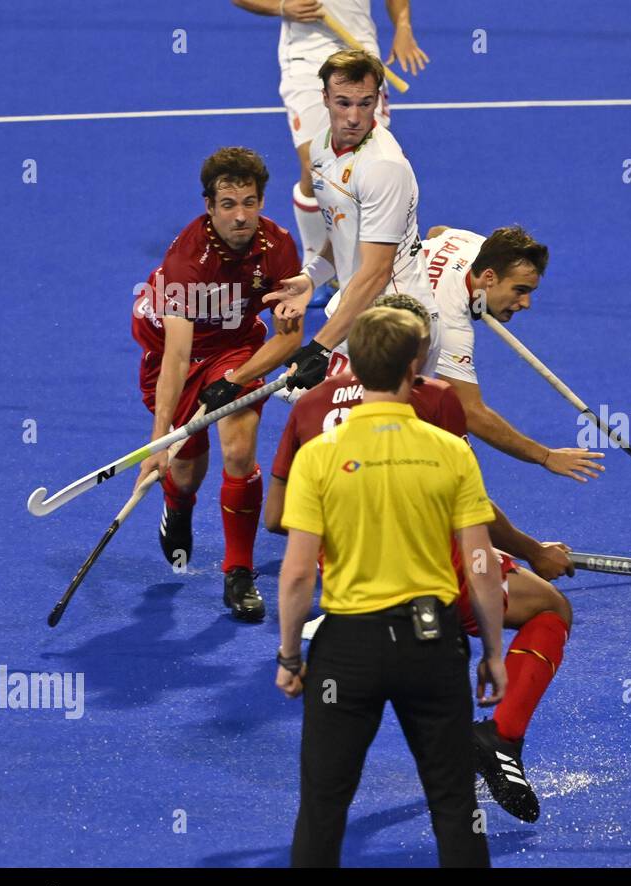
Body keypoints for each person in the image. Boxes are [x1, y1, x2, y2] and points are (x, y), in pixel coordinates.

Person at [267, 292, 577, 823]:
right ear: (412, 355)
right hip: (431, 579)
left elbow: (275, 521)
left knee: (325, 799)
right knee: (551, 608)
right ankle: (500, 736)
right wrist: (531, 551)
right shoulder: (434, 399)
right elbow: (467, 511)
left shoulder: (310, 405)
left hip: (347, 590)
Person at [276, 304, 505, 867]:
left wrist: (288, 656)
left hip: (348, 651)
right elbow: (480, 563)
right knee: (454, 803)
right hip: (433, 647)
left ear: (352, 367)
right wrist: (493, 652)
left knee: (323, 806)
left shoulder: (319, 457)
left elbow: (299, 572)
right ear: (414, 370)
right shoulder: (449, 450)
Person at [131, 146, 303, 620]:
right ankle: (178, 504)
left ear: (262, 201)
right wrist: (159, 441)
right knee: (186, 467)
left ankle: (239, 572)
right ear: (210, 207)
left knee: (239, 449)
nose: (240, 215)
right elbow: (177, 355)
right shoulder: (188, 261)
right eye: (228, 205)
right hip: (176, 355)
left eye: (249, 202)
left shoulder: (279, 246)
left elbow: (291, 340)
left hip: (236, 349)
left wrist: (236, 379)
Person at [267, 49, 439, 393]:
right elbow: (343, 227)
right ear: (325, 99)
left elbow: (376, 271)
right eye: (343, 103)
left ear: (378, 100)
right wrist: (312, 278)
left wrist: (320, 346)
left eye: (365, 103)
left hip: (396, 323)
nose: (354, 117)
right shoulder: (320, 149)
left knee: (385, 439)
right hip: (357, 312)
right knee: (320, 421)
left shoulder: (382, 167)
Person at [229, 0, 429, 288]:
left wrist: (403, 26)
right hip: (305, 58)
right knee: (313, 167)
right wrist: (282, 7)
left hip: (360, 54)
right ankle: (316, 268)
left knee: (370, 165)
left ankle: (376, 259)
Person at [421, 224, 604, 483]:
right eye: (520, 290)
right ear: (489, 277)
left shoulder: (478, 250)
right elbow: (471, 412)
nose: (526, 304)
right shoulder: (448, 323)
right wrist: (545, 456)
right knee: (455, 469)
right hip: (356, 371)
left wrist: (479, 299)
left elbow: (437, 233)